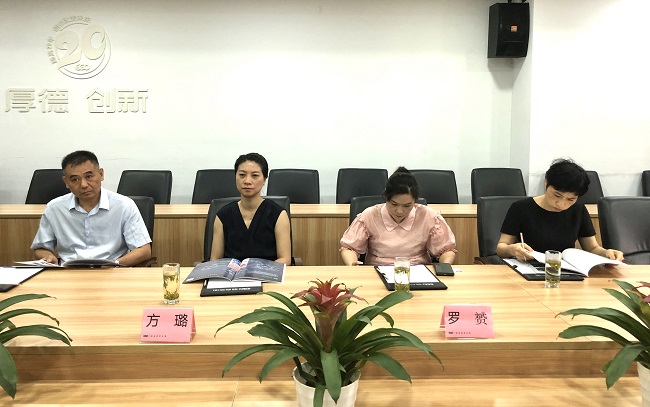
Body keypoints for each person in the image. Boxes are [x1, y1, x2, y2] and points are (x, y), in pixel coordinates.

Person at [31, 150, 152, 266]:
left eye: (89, 177)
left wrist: (114, 264)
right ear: (66, 182)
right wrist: (48, 256)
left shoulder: (124, 205)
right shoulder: (55, 208)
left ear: (101, 174)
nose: (83, 185)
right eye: (75, 179)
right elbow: (41, 248)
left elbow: (144, 250)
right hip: (68, 273)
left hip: (113, 272)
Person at [496, 158, 624, 261]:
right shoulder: (521, 208)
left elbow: (592, 248)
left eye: (571, 199)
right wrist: (512, 250)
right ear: (546, 183)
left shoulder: (578, 210)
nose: (561, 204)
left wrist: (607, 253)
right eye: (557, 195)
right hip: (529, 269)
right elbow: (501, 247)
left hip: (565, 271)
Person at [340, 167, 457, 266]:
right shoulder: (370, 215)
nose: (400, 211)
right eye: (394, 204)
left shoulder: (428, 215)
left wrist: (445, 265)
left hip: (417, 270)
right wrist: (352, 263)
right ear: (386, 198)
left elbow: (446, 250)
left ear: (415, 201)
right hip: (377, 270)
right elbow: (350, 248)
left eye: (407, 205)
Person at [210, 152, 292, 265]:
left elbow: (285, 259)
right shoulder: (223, 215)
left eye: (255, 175)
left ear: (264, 179)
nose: (247, 181)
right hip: (231, 275)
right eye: (242, 175)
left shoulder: (278, 214)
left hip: (267, 274)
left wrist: (256, 271)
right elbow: (215, 260)